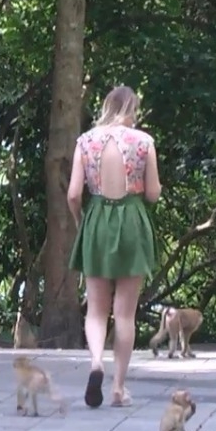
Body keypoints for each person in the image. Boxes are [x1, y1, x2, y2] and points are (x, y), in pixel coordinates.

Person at [66, 85, 162, 409]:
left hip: (97, 220)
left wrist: (81, 222)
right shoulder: (144, 142)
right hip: (132, 220)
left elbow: (73, 194)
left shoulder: (85, 141)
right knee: (124, 313)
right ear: (132, 108)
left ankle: (96, 362)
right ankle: (119, 387)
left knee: (96, 309)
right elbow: (152, 194)